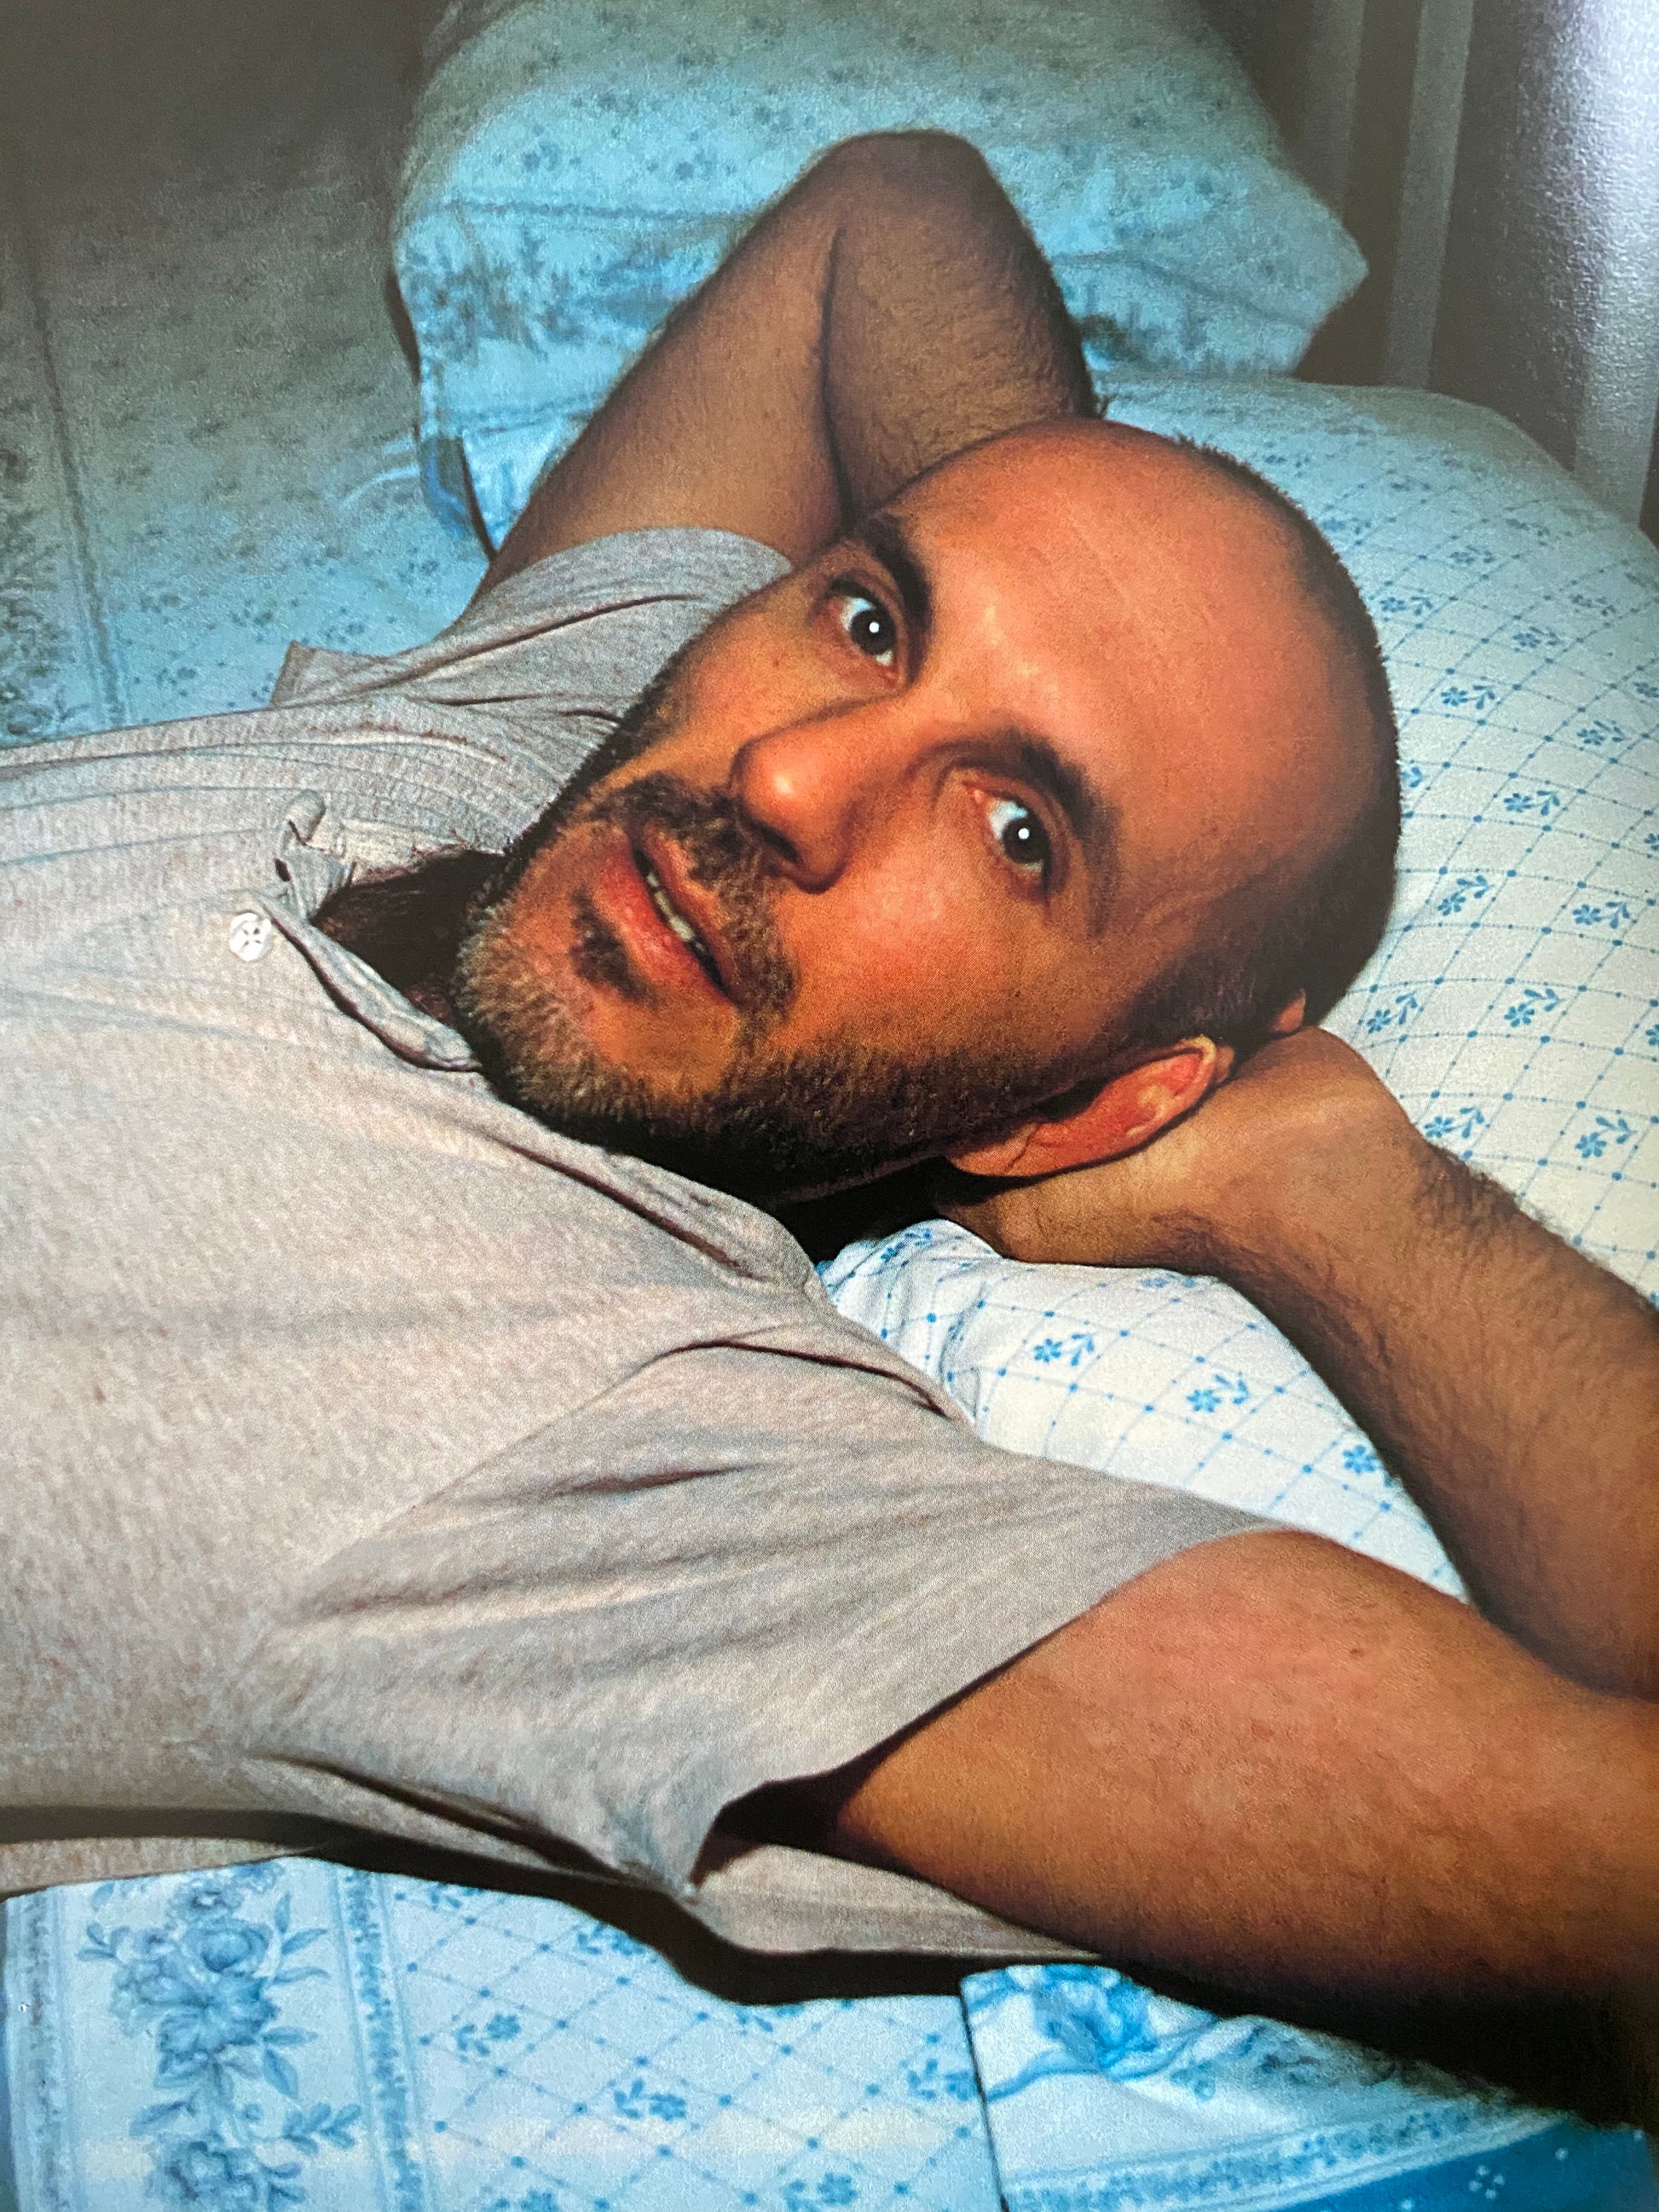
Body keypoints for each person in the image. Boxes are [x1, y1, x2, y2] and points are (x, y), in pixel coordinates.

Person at [3, 133, 1654, 2037]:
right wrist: (1077, 535)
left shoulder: (613, 1444)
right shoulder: (563, 741)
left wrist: (1331, 1185)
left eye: (1017, 832)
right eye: (877, 619)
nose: (787, 780)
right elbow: (891, 213)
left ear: (1079, 1112)